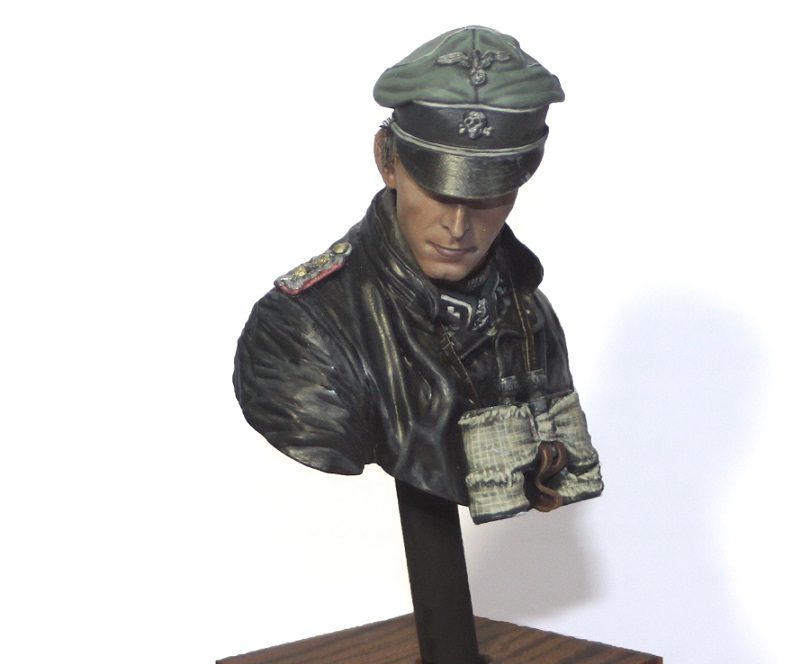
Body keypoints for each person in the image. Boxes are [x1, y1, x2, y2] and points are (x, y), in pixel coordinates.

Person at [234, 26, 602, 523]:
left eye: (488, 195)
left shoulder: (530, 313)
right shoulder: (298, 332)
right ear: (387, 160)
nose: (458, 226)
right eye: (438, 190)